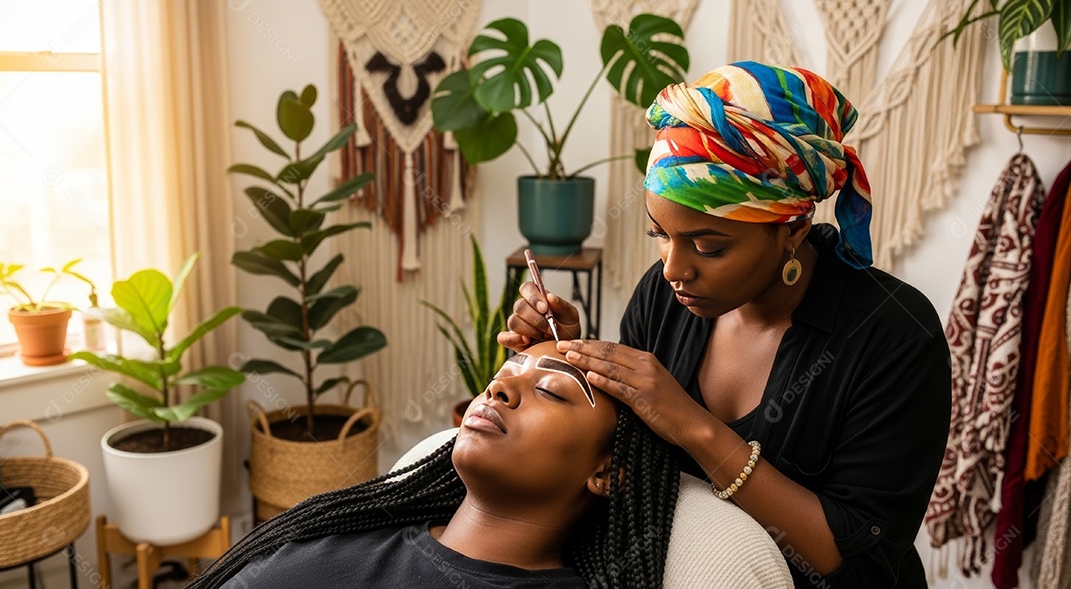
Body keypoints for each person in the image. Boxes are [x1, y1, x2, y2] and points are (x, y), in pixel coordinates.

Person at [501, 61, 952, 588]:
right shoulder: (664, 297)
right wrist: (568, 354)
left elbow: (858, 565)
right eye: (660, 236)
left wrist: (693, 425)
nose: (673, 269)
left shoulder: (893, 335)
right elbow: (629, 461)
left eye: (709, 247)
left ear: (793, 227)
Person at [186, 342, 680, 589]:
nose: (497, 389)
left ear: (607, 474)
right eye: (503, 375)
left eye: (550, 390)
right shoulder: (334, 541)